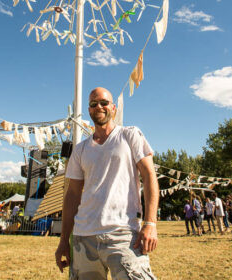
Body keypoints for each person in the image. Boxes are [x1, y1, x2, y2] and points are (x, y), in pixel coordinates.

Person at [55, 87, 158, 279]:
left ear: (113, 108)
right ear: (89, 110)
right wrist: (63, 241)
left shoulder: (130, 135)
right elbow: (72, 196)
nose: (99, 107)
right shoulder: (80, 150)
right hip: (83, 238)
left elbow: (149, 176)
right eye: (94, 104)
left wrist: (150, 223)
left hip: (123, 235)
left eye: (104, 102)